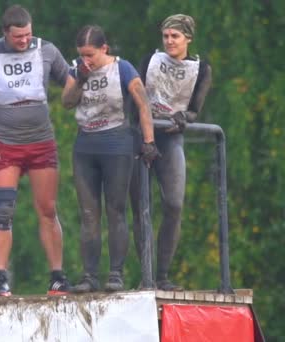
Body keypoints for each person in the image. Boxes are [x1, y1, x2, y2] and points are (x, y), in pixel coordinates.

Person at [0, 4, 72, 296]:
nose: (24, 41)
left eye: (27, 35)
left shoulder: (47, 50)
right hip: (4, 145)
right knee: (4, 210)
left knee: (48, 209)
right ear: (5, 33)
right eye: (17, 37)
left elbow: (71, 82)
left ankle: (57, 276)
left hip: (41, 143)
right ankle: (1, 277)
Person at [61, 25, 159, 292]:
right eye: (82, 55)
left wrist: (149, 141)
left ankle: (116, 273)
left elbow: (142, 103)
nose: (86, 60)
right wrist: (80, 78)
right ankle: (89, 275)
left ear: (104, 49)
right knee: (89, 213)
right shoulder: (76, 70)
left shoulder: (122, 68)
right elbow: (67, 102)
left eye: (90, 55)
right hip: (86, 146)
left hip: (117, 142)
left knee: (116, 210)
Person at [129, 14, 212, 291]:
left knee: (174, 205)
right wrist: (140, 135)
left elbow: (194, 109)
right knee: (142, 206)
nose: (169, 41)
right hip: (142, 138)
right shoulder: (149, 61)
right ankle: (147, 276)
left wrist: (184, 117)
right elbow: (135, 98)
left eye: (175, 36)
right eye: (166, 36)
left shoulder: (201, 69)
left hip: (171, 139)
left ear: (188, 38)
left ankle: (163, 275)